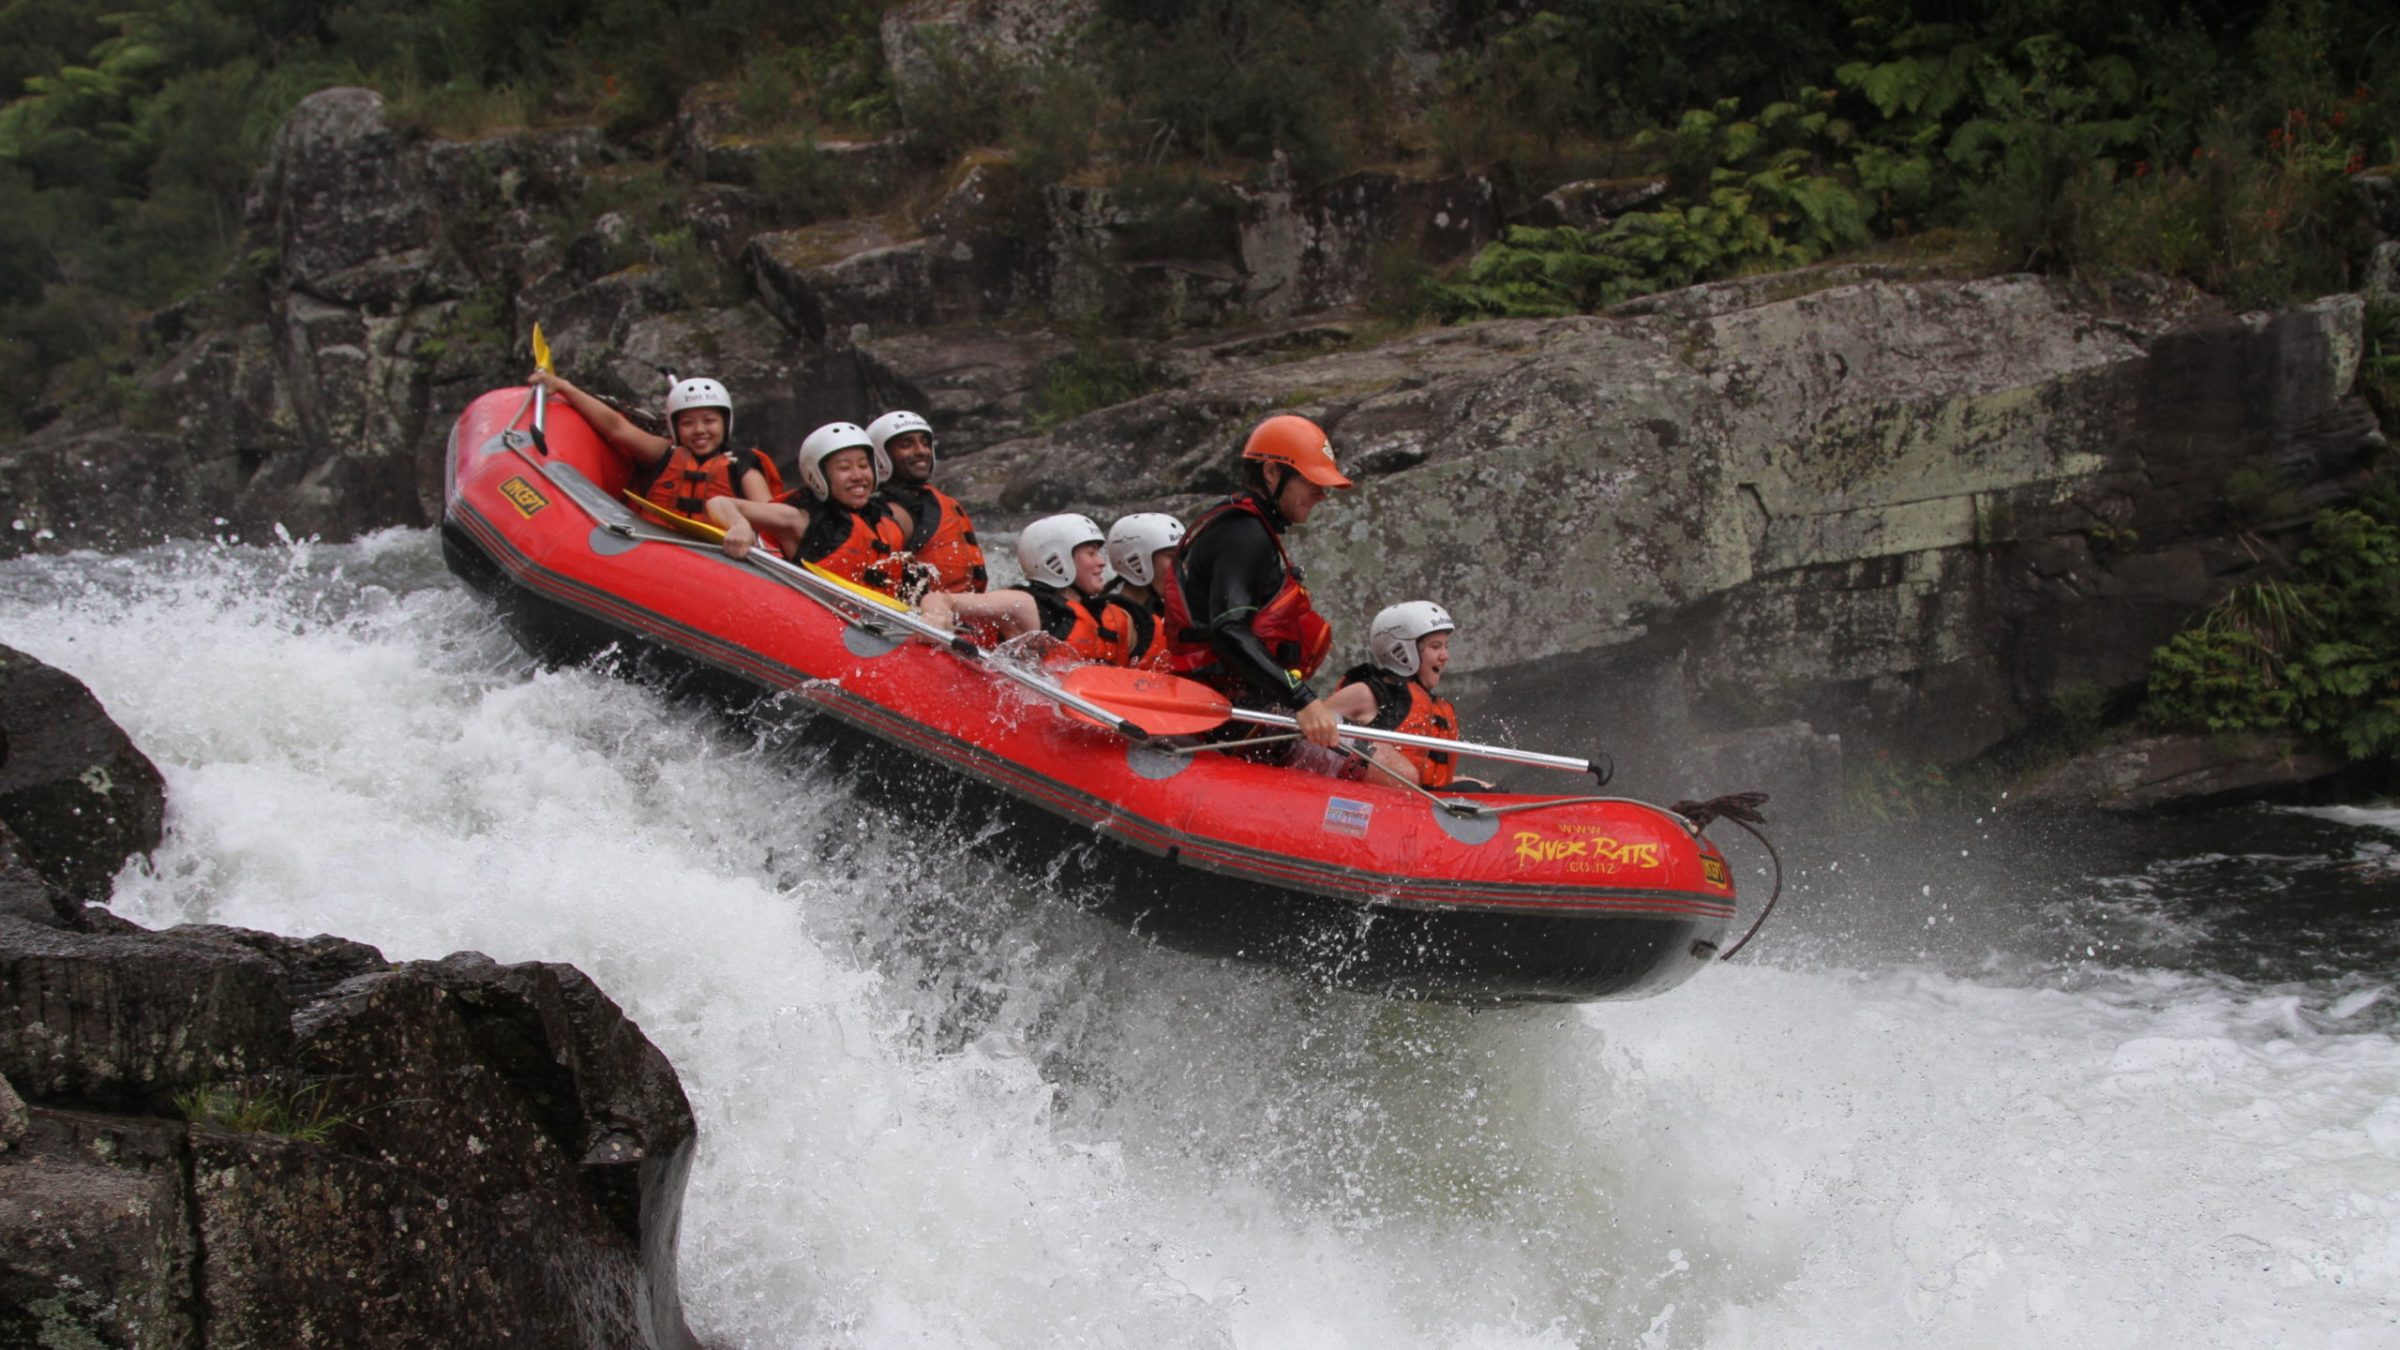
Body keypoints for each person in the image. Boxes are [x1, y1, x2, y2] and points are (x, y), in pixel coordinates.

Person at [1159, 414, 1353, 749]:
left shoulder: (1251, 529)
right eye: (1312, 482)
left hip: (1243, 703)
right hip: (1225, 712)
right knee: (1386, 768)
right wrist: (1302, 699)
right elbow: (1228, 630)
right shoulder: (1243, 534)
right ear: (1272, 472)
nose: (1322, 494)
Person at [530, 369, 792, 558]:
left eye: (709, 420)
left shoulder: (742, 465)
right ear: (676, 428)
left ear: (725, 423)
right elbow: (616, 427)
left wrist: (742, 527)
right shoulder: (663, 454)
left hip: (719, 560)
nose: (699, 430)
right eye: (688, 423)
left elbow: (770, 517)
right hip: (652, 553)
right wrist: (564, 387)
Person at [918, 514, 1162, 667]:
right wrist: (936, 618)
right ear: (1057, 559)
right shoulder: (1025, 604)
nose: (1101, 562)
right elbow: (942, 599)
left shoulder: (1110, 615)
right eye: (1091, 553)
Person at [1325, 602, 1490, 790]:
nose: (1445, 656)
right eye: (1435, 647)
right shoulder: (1368, 693)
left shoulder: (1433, 705)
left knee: (1480, 787)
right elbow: (1312, 730)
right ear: (1403, 650)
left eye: (1446, 646)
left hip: (1419, 804)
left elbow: (1428, 784)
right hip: (1371, 802)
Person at [787, 421, 919, 593]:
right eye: (844, 468)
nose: (858, 476)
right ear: (817, 476)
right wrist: (739, 523)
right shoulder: (799, 519)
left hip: (887, 615)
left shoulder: (891, 517)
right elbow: (740, 507)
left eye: (864, 466)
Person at [868, 410, 988, 594]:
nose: (921, 451)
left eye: (925, 443)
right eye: (906, 445)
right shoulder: (886, 512)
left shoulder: (937, 500)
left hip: (963, 610)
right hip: (925, 616)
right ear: (880, 456)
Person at [1103, 512, 1185, 617]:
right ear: (1138, 560)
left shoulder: (1160, 612)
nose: (1180, 567)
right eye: (1171, 556)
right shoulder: (1107, 618)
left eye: (1181, 558)